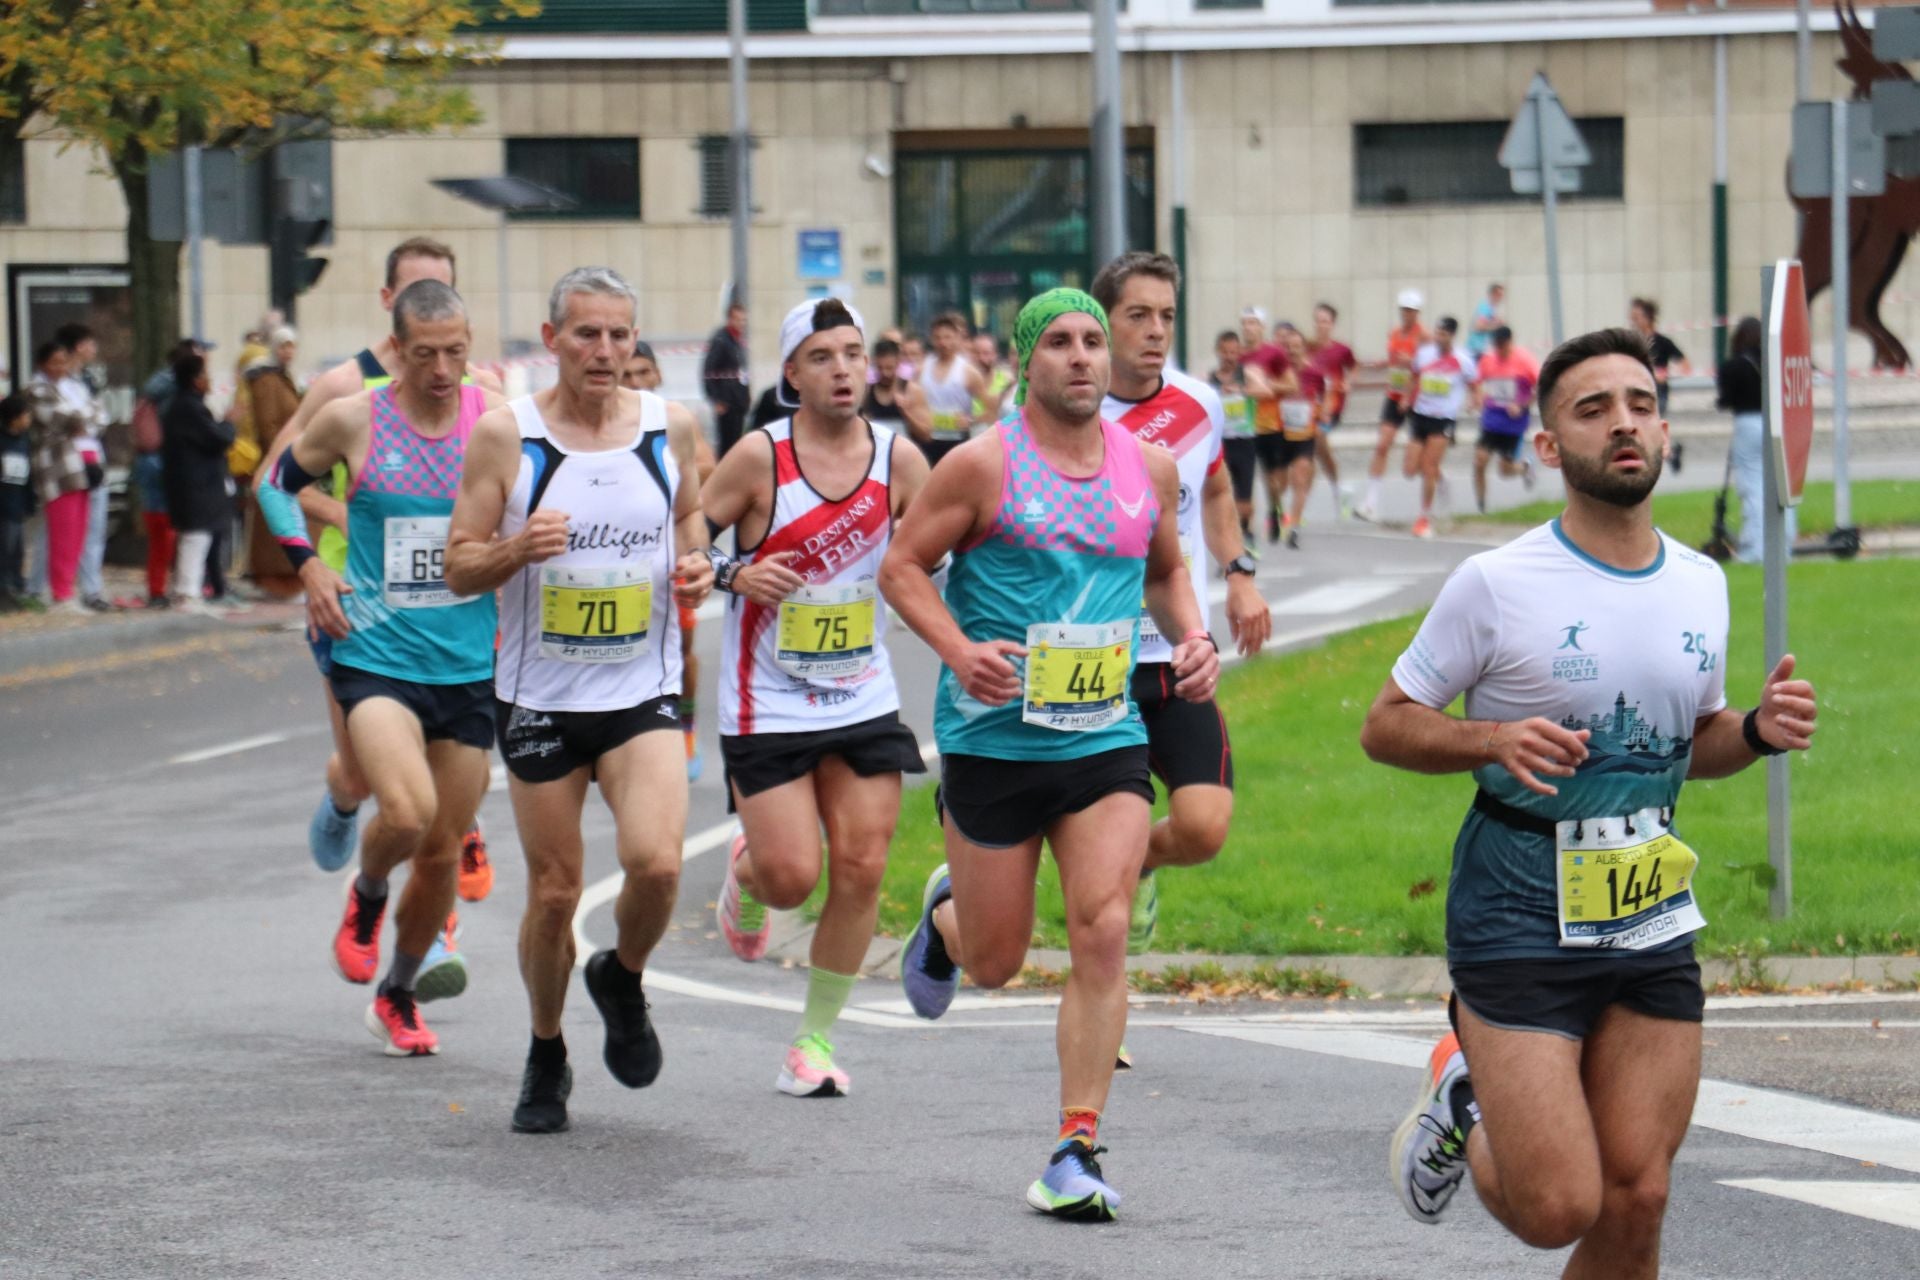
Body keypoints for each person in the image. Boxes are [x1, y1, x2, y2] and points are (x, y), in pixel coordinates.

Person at [1363, 326, 1819, 1279]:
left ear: (1662, 432)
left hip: (1648, 906)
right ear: (1548, 446)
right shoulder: (1497, 583)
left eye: (1641, 405)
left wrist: (1758, 731)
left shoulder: (1700, 582)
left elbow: (1688, 748)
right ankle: (1464, 1093)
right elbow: (1388, 723)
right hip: (1516, 910)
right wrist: (1491, 738)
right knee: (1560, 1207)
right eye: (1594, 408)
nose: (1624, 424)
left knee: (1638, 1196)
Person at [880, 287, 1220, 1222]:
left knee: (1102, 925)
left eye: (1093, 342)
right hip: (992, 740)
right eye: (1060, 343)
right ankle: (947, 921)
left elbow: (1163, 573)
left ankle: (1076, 1145)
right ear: (1026, 364)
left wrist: (1191, 638)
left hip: (1104, 733)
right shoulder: (982, 465)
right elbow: (902, 567)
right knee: (995, 961)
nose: (1082, 357)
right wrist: (958, 652)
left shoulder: (1148, 468)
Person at [444, 266, 713, 1134]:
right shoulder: (505, 436)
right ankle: (546, 1045)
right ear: (552, 337)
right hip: (539, 699)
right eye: (586, 334)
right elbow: (457, 565)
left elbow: (690, 529)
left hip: (641, 689)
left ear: (637, 343)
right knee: (556, 894)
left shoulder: (673, 429)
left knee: (658, 864)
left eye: (619, 335)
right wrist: (516, 549)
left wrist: (698, 566)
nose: (604, 351)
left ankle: (623, 976)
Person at [259, 280, 502, 1055]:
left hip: (467, 666)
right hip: (376, 656)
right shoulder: (355, 419)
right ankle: (365, 895)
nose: (442, 368)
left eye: (456, 352)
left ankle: (397, 995)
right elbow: (275, 485)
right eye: (425, 352)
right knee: (404, 811)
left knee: (439, 853)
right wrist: (307, 566)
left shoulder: (493, 420)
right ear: (395, 346)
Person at [703, 297, 931, 1097]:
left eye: (854, 354)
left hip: (859, 690)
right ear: (792, 374)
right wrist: (737, 571)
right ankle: (750, 871)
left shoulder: (900, 461)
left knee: (864, 864)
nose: (843, 370)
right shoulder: (758, 459)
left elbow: (939, 549)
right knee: (794, 876)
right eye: (823, 357)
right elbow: (681, 542)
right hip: (765, 698)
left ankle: (813, 1042)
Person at [1092, 253, 1268, 968]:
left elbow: (1216, 490)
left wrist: (1240, 573)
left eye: (1166, 315)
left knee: (1202, 828)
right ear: (1102, 322)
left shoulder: (1199, 404)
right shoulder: (1059, 408)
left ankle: (1141, 864)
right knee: (1091, 853)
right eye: (1138, 315)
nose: (1155, 330)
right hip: (1089, 664)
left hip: (1176, 654)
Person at [622, 338, 718, 778]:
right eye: (628, 374)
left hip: (668, 555)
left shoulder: (674, 421)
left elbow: (709, 467)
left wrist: (659, 479)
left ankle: (686, 727)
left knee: (682, 649)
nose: (637, 382)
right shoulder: (606, 426)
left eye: (645, 373)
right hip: (620, 557)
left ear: (658, 376)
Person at [161, 353, 237, 614]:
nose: (209, 380)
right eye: (205, 375)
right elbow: (217, 438)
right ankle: (187, 592)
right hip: (195, 485)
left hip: (192, 483)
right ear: (195, 380)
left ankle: (188, 589)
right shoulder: (190, 408)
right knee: (196, 536)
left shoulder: (182, 406)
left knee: (196, 537)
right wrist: (229, 422)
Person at [1716, 317, 1795, 563]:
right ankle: (1784, 545)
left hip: (1747, 424)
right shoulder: (1775, 362)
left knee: (1752, 487)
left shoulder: (1734, 366)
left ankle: (1755, 548)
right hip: (1775, 424)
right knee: (1781, 487)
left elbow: (1726, 399)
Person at [26, 342, 95, 614]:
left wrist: (82, 418)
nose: (61, 368)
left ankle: (68, 587)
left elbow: (96, 414)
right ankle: (60, 592)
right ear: (42, 364)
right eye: (54, 362)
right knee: (62, 532)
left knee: (78, 529)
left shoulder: (72, 386)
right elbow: (64, 418)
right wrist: (81, 417)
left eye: (64, 362)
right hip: (55, 465)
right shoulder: (37, 389)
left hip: (79, 463)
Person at [52, 323, 114, 611]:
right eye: (90, 343)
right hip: (71, 461)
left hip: (93, 455)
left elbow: (98, 416)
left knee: (94, 526)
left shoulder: (85, 381)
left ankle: (92, 587)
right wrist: (87, 418)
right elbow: (73, 419)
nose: (94, 349)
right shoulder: (57, 384)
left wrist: (88, 418)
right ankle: (59, 588)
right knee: (67, 529)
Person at [1357, 289, 1428, 523]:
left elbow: (1426, 368)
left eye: (1411, 311)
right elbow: (1397, 359)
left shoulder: (1424, 337)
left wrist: (1411, 393)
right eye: (1404, 310)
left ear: (1418, 312)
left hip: (1416, 398)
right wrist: (1383, 363)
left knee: (1416, 461)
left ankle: (1435, 477)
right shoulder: (1395, 334)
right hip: (1394, 395)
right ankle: (1371, 502)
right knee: (1382, 445)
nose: (1407, 314)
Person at [1406, 316, 1478, 540]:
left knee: (1428, 467)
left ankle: (1423, 519)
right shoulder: (1424, 354)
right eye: (1437, 332)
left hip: (1443, 419)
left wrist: (1473, 401)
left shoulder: (1463, 359)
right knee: (1410, 469)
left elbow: (1476, 384)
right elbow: (1414, 377)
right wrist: (1407, 399)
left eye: (1443, 334)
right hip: (1420, 414)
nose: (1438, 337)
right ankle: (1440, 477)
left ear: (1452, 336)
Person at [242, 326, 303, 582]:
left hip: (289, 455)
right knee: (275, 519)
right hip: (279, 458)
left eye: (291, 346)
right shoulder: (268, 380)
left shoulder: (283, 378)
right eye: (283, 346)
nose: (288, 352)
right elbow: (268, 424)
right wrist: (280, 452)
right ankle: (276, 576)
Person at [1238, 309, 1298, 544]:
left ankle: (1275, 509)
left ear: (1262, 327)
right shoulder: (1238, 356)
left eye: (1253, 323)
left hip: (1270, 424)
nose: (1248, 328)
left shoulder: (1274, 354)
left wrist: (1265, 385)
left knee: (1271, 478)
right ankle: (1247, 527)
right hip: (1244, 426)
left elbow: (1291, 384)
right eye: (1245, 323)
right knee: (1245, 479)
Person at [1472, 326, 1541, 512]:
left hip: (1513, 423)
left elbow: (1540, 387)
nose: (1498, 349)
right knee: (1479, 461)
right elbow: (1477, 381)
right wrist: (1477, 398)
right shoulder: (1489, 359)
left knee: (1505, 470)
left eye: (1502, 345)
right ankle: (1481, 505)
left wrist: (1522, 405)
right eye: (1496, 345)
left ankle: (1525, 468)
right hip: (1492, 418)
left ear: (1510, 342)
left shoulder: (1525, 360)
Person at [917, 311, 992, 466]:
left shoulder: (968, 371)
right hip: (928, 439)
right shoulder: (922, 368)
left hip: (957, 440)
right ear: (932, 339)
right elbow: (913, 402)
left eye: (948, 337)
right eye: (938, 337)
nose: (943, 343)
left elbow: (990, 411)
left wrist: (971, 420)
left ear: (958, 338)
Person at [1306, 303, 1357, 516]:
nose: (1321, 326)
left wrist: (1349, 382)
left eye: (1325, 321)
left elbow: (1354, 366)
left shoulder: (1341, 350)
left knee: (1314, 444)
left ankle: (1298, 510)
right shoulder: (1308, 349)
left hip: (1332, 407)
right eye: (1318, 321)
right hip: (1310, 408)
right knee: (1316, 454)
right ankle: (1339, 489)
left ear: (1332, 324)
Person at [1275, 324, 1322, 548]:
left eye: (1297, 347)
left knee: (1300, 478)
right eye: (1288, 347)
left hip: (1304, 434)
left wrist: (1322, 413)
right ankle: (1278, 513)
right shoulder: (1278, 374)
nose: (1292, 351)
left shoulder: (1313, 373)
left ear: (1304, 349)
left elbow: (1324, 395)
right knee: (1281, 484)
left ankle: (1294, 527)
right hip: (1281, 435)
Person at [1208, 330, 1256, 544]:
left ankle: (1246, 530)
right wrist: (1217, 393)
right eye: (1226, 352)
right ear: (1219, 352)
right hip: (1221, 443)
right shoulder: (1210, 379)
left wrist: (1243, 390)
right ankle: (1231, 542)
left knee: (1244, 500)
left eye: (1234, 352)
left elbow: (1266, 391)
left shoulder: (1246, 374)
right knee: (1223, 495)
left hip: (1245, 442)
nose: (1230, 356)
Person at [861, 338, 931, 446]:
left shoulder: (912, 391)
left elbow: (926, 434)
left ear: (898, 363)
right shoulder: (866, 391)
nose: (885, 373)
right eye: (880, 368)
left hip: (904, 456)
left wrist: (906, 413)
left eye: (889, 368)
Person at [703, 301, 752, 457]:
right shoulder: (721, 340)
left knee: (736, 442)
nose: (741, 323)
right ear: (730, 319)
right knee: (726, 445)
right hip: (726, 402)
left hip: (738, 401)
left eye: (744, 320)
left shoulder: (738, 340)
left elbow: (741, 371)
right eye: (738, 319)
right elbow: (708, 371)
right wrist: (716, 399)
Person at [0, 394, 33, 611]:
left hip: (17, 504)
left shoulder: (23, 442)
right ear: (14, 418)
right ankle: (4, 588)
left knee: (17, 549)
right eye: (25, 414)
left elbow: (28, 478)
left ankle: (16, 585)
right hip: (4, 505)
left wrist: (29, 502)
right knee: (5, 547)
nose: (28, 418)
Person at [970, 331, 1013, 430]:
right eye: (976, 353)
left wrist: (972, 420)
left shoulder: (1007, 380)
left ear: (995, 355)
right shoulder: (964, 382)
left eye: (986, 353)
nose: (981, 358)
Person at [1466, 282, 1505, 364]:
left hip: (1482, 349)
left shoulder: (1492, 309)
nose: (1501, 298)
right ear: (1493, 294)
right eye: (1499, 295)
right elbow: (1479, 326)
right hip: (1477, 349)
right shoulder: (1485, 307)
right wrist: (1497, 326)